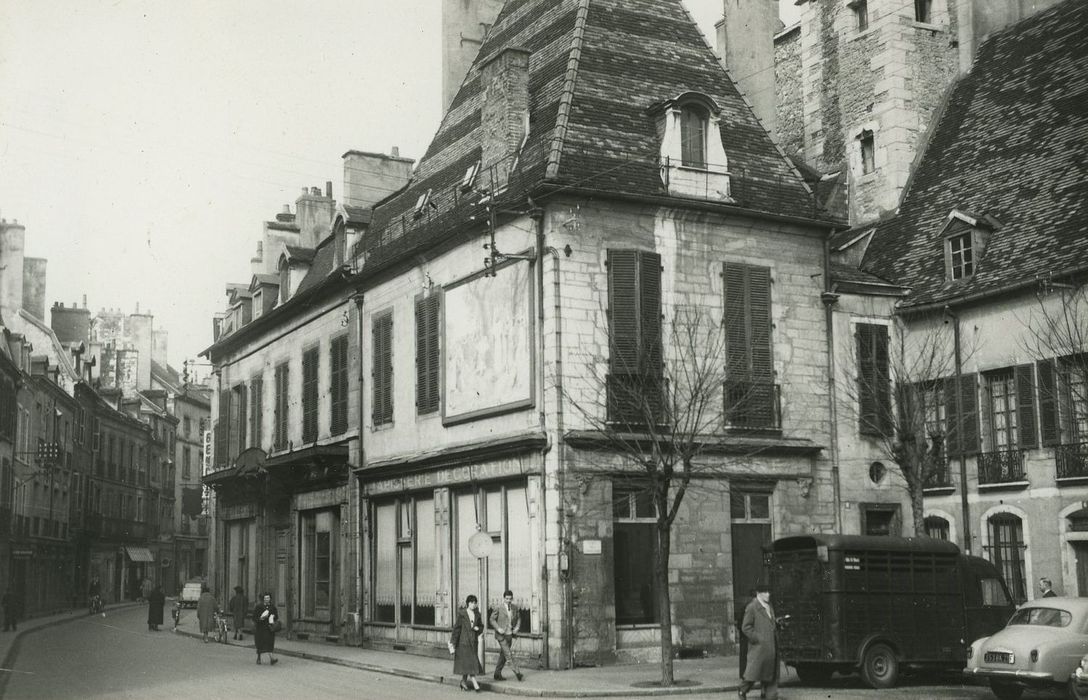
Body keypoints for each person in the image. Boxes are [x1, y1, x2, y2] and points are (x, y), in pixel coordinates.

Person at [739, 582, 779, 700]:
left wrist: (777, 623)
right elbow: (746, 627)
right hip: (759, 648)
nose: (768, 594)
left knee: (770, 673)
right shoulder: (752, 607)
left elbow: (769, 622)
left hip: (771, 646)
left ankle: (768, 695)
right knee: (753, 674)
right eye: (764, 592)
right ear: (758, 593)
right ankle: (742, 691)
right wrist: (757, 638)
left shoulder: (769, 605)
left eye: (769, 592)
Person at [449, 594, 484, 692]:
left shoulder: (478, 614)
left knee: (467, 664)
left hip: (473, 642)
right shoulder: (462, 614)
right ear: (468, 603)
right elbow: (456, 629)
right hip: (463, 643)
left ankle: (463, 682)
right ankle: (475, 683)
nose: (473, 605)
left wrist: (478, 629)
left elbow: (481, 626)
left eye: (475, 603)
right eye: (471, 603)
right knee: (470, 663)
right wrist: (453, 643)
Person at [489, 589, 523, 681]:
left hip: (510, 635)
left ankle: (497, 674)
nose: (508, 600)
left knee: (503, 655)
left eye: (510, 599)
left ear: (512, 599)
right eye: (507, 599)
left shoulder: (515, 608)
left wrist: (517, 628)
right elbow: (491, 619)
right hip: (501, 635)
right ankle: (517, 673)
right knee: (508, 654)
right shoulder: (498, 608)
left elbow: (519, 618)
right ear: (503, 598)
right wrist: (498, 628)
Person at [253, 592, 280, 665]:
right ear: (263, 599)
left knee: (270, 643)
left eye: (268, 598)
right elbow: (254, 618)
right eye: (265, 598)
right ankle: (259, 658)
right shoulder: (259, 607)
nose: (267, 599)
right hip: (260, 628)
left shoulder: (273, 607)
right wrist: (261, 618)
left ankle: (272, 659)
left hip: (269, 628)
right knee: (260, 644)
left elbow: (276, 616)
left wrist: (273, 617)